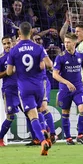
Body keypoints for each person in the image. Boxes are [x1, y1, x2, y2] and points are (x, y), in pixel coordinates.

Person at [6, 22, 54, 155]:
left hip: (24, 87)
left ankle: (43, 141)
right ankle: (45, 130)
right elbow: (50, 64)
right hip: (39, 86)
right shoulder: (38, 48)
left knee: (33, 116)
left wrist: (17, 67)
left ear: (19, 33)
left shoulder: (14, 50)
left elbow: (9, 72)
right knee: (41, 111)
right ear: (31, 32)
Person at [53, 33, 83, 145]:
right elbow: (55, 75)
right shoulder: (60, 57)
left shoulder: (81, 56)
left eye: (68, 42)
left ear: (74, 43)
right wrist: (67, 82)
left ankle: (80, 135)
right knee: (65, 113)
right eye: (65, 42)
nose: (66, 44)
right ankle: (68, 138)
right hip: (65, 89)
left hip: (78, 88)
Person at [0, 35, 19, 147]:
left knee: (30, 113)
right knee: (10, 116)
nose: (7, 45)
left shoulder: (18, 54)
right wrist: (8, 72)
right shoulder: (0, 58)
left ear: (12, 43)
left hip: (22, 88)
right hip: (9, 90)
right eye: (5, 44)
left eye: (9, 43)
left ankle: (36, 139)